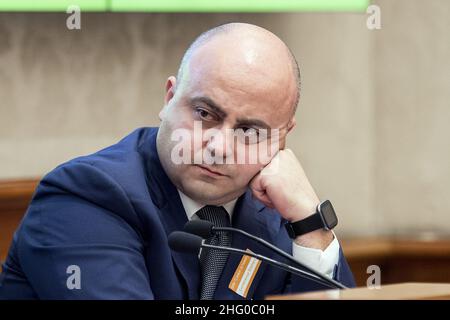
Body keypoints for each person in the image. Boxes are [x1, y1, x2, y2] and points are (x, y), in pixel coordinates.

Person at [0, 22, 355, 299]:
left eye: (249, 131)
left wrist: (312, 226)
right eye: (204, 113)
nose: (219, 146)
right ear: (170, 97)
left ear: (282, 136)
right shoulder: (85, 198)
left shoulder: (278, 212)